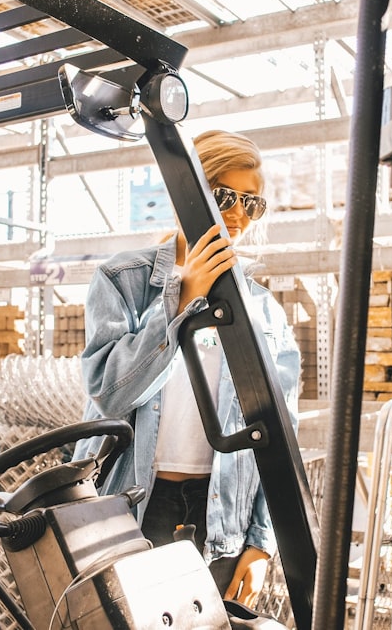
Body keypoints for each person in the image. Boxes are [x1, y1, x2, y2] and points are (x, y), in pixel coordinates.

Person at [72, 129, 301, 607]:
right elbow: (109, 392)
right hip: (130, 506)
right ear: (189, 193)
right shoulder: (125, 281)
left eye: (252, 204)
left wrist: (261, 543)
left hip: (218, 515)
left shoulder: (264, 312)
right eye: (226, 197)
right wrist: (182, 299)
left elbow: (281, 437)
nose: (239, 214)